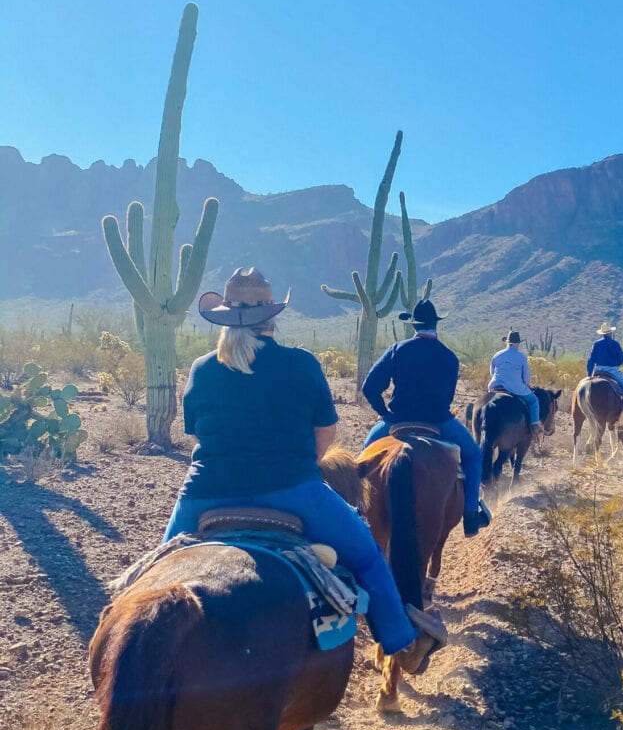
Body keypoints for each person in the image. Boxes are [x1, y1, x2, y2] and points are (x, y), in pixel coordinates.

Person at [163, 268, 432, 666]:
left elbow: (198, 435)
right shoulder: (301, 363)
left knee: (158, 567)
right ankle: (401, 643)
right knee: (368, 556)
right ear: (271, 317)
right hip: (294, 489)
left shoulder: (203, 368)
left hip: (205, 493)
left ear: (224, 316)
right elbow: (325, 436)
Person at [361, 297, 491, 537]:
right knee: (473, 456)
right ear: (436, 324)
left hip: (397, 419)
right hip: (439, 421)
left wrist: (384, 413)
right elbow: (448, 395)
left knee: (364, 457)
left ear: (414, 326)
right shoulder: (449, 357)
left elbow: (369, 386)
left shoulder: (397, 350)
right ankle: (471, 515)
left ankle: (359, 511)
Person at [487, 331, 542, 434]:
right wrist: (525, 384)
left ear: (507, 342)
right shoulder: (521, 357)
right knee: (534, 401)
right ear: (517, 343)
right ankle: (534, 425)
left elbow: (492, 372)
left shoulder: (497, 355)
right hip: (516, 388)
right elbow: (526, 377)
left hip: (495, 386)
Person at [586, 321, 623, 398]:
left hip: (598, 370)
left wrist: (589, 375)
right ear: (610, 333)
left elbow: (591, 361)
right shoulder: (615, 344)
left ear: (602, 334)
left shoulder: (596, 344)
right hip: (612, 371)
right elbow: (621, 360)